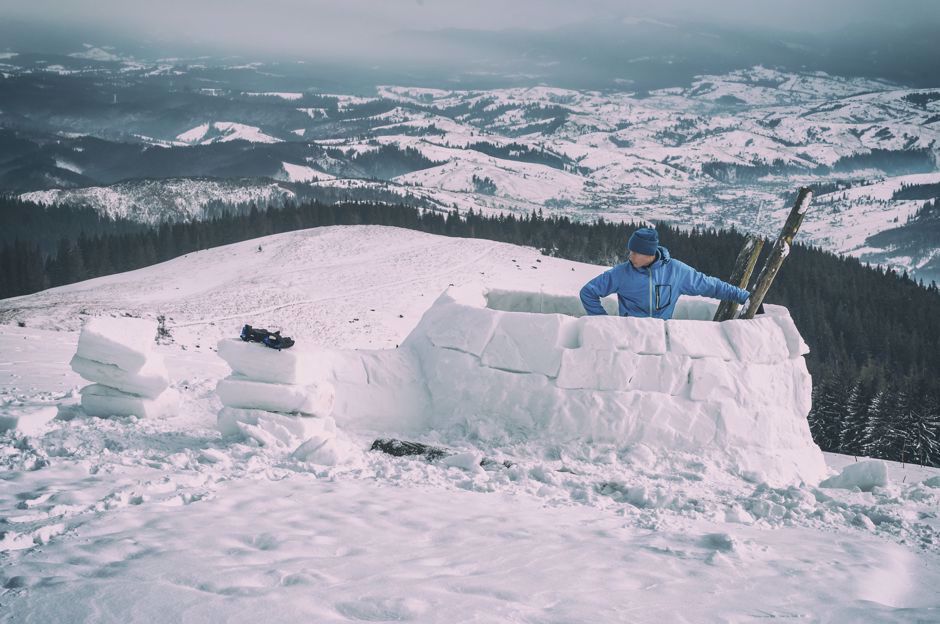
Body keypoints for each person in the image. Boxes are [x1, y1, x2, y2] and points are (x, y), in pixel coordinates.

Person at [580, 227, 749, 320]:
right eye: (630, 251)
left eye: (635, 252)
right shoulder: (621, 273)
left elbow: (711, 285)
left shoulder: (676, 271)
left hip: (662, 339)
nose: (630, 255)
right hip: (629, 337)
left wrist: (744, 297)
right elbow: (588, 292)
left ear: (649, 254)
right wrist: (603, 322)